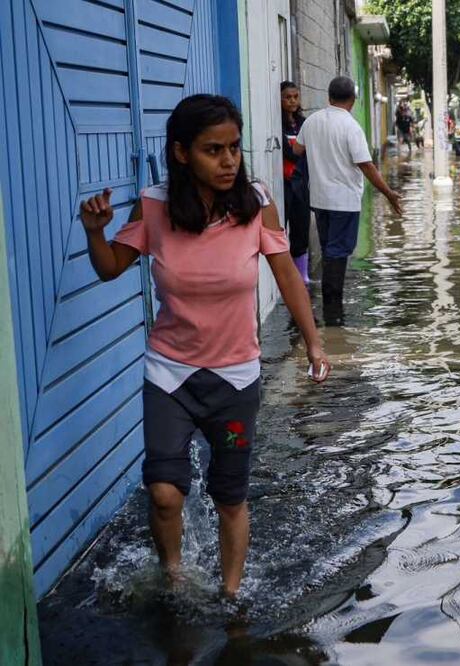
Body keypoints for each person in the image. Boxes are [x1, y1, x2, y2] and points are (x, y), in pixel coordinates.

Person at [78, 95, 330, 598]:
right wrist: (94, 233)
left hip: (235, 379)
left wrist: (314, 343)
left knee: (230, 498)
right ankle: (175, 579)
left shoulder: (257, 204)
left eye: (234, 148)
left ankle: (230, 597)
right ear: (181, 153)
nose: (229, 160)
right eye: (213, 150)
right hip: (170, 374)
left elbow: (287, 278)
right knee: (165, 493)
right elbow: (109, 267)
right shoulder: (154, 206)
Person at [294, 76, 403, 326]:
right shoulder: (351, 127)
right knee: (337, 254)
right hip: (343, 202)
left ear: (329, 97)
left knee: (330, 251)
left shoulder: (312, 121)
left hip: (319, 199)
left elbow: (298, 150)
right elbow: (366, 166)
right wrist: (388, 193)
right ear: (353, 100)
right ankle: (333, 312)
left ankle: (331, 310)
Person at [281, 81, 312, 285]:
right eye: (288, 97)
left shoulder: (303, 123)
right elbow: (290, 153)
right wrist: (300, 149)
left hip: (301, 183)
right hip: (284, 183)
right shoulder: (277, 123)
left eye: (295, 97)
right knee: (281, 231)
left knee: (301, 228)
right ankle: (284, 277)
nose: (292, 101)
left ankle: (302, 276)